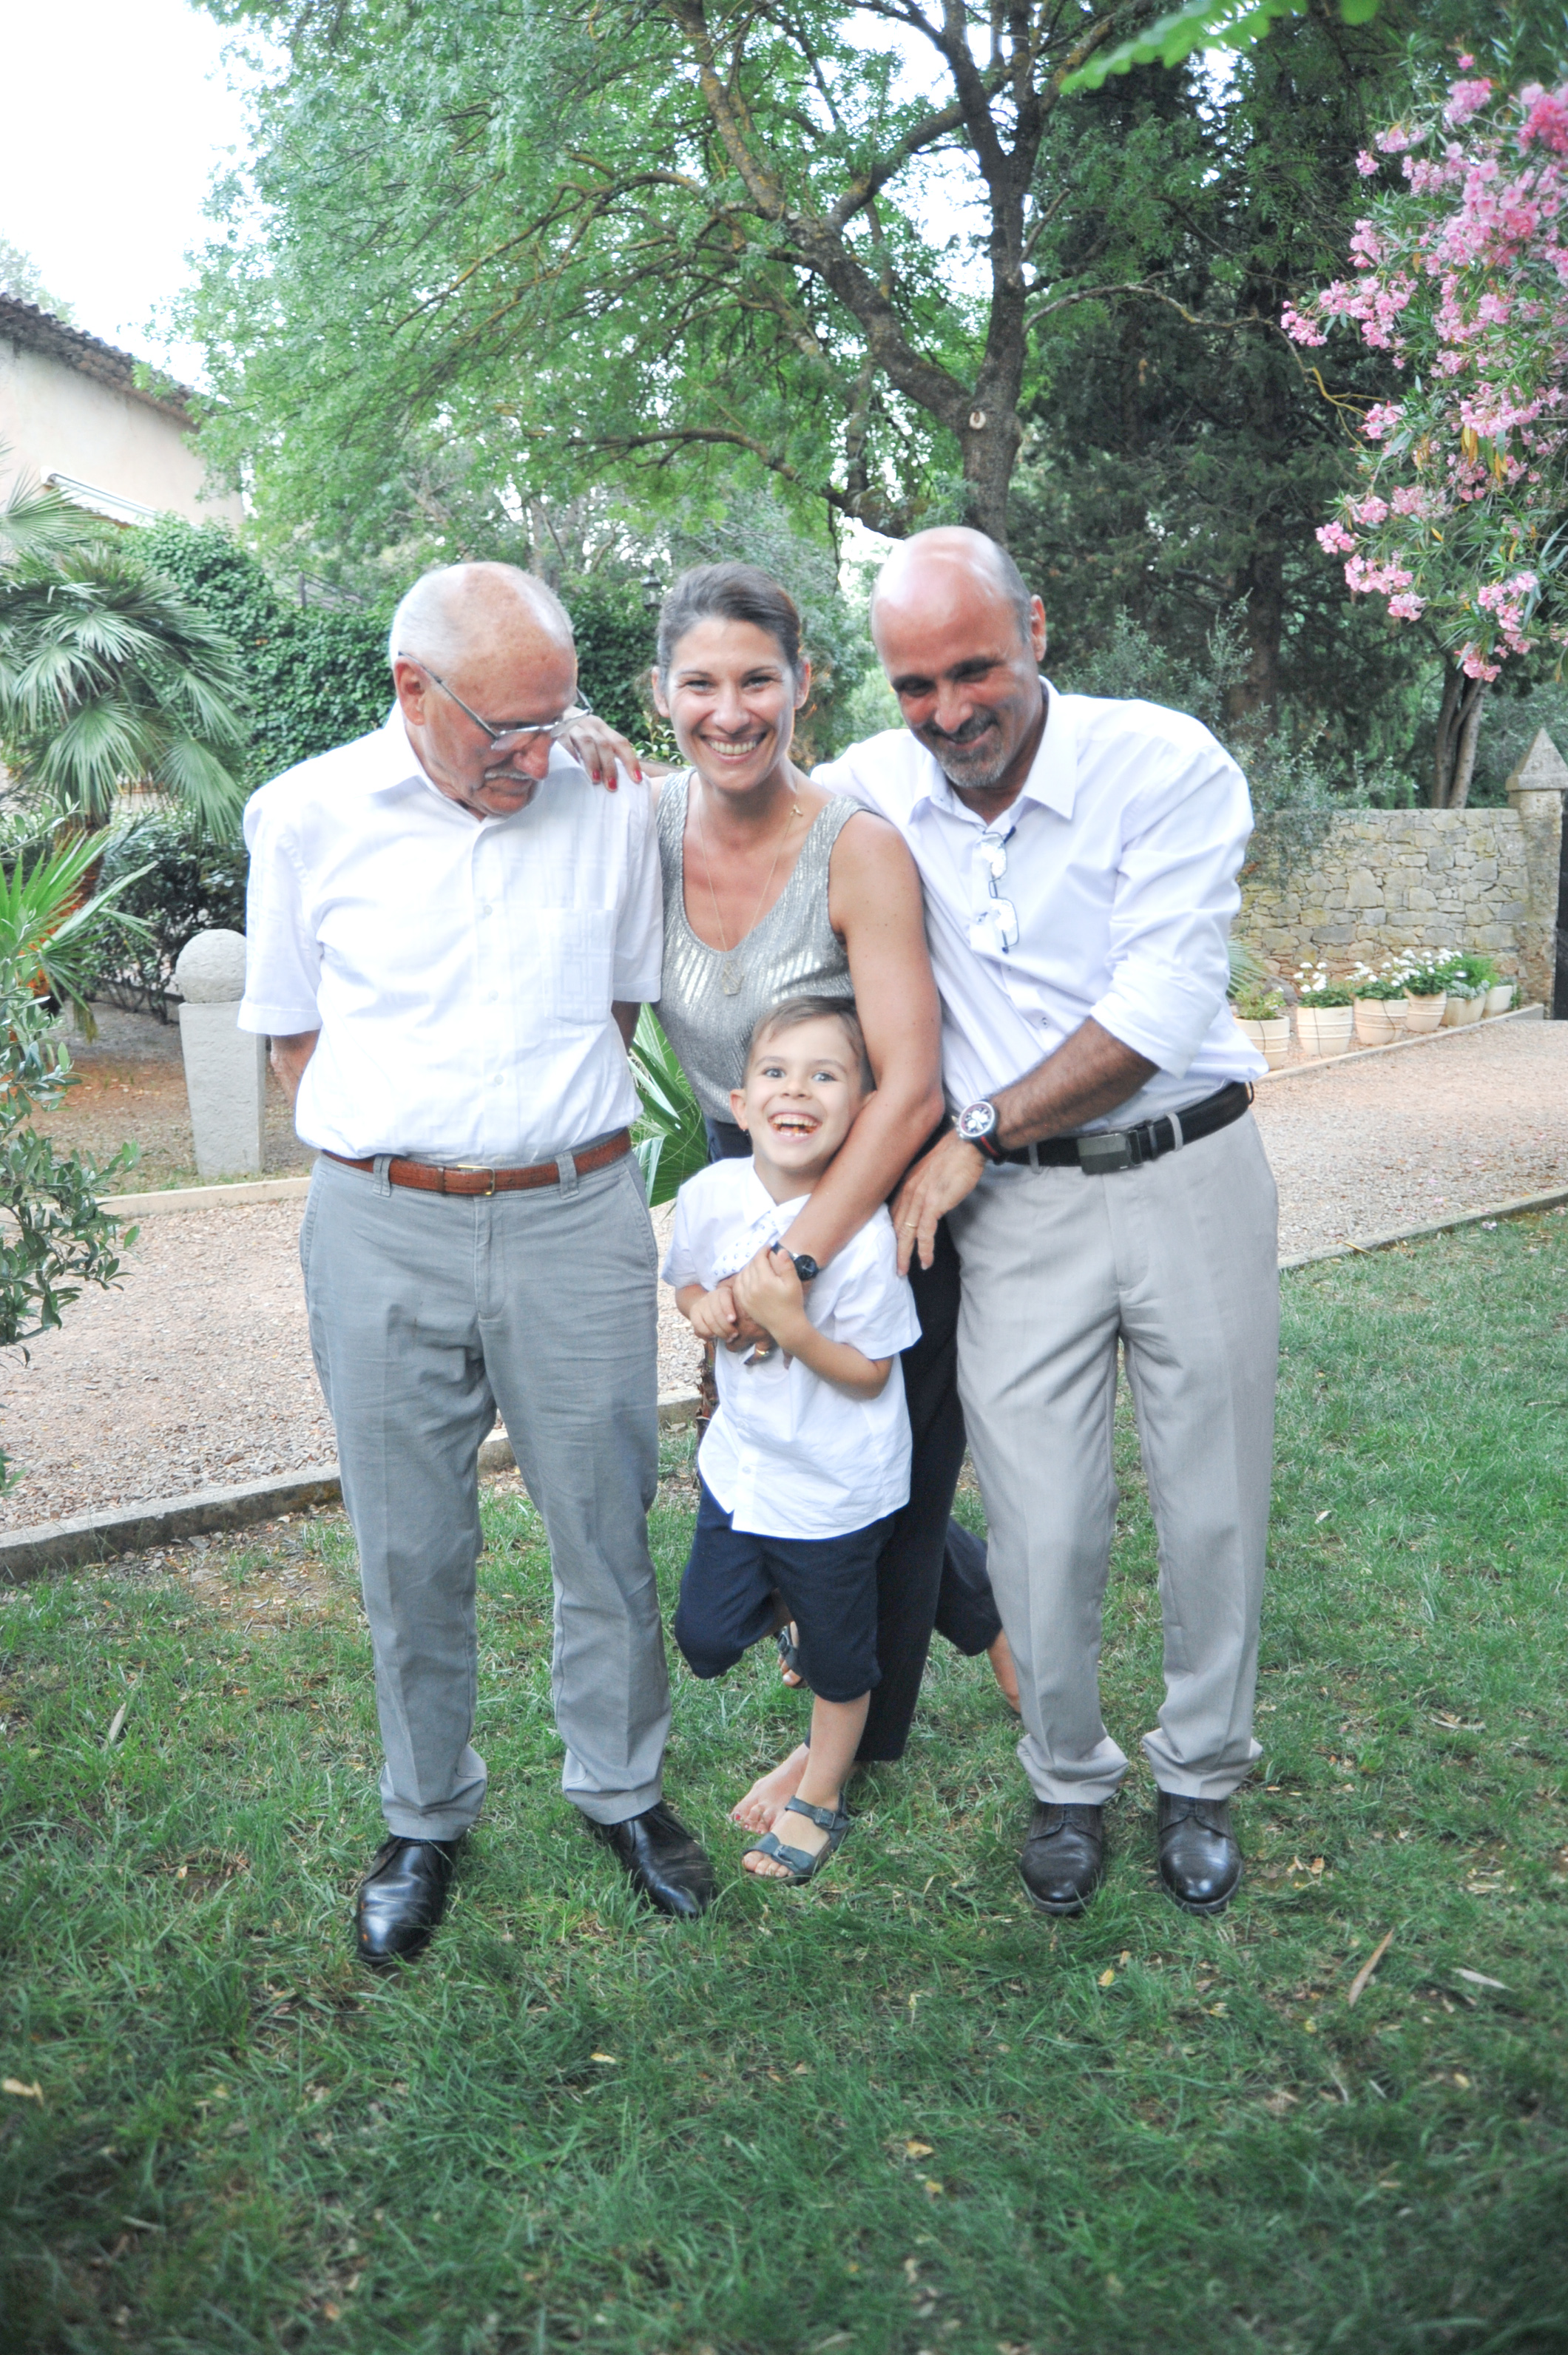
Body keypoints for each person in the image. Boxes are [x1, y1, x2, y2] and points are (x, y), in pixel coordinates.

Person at [238, 561, 717, 1967]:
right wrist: (407, 1145)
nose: (536, 755)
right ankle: (425, 1813)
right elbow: (292, 1032)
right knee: (409, 1538)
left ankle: (622, 1788)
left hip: (575, 1210)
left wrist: (526, 1137)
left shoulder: (606, 800)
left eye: (557, 719)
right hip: (381, 1220)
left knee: (604, 1518)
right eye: (508, 727)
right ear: (413, 689)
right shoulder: (305, 814)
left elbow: (618, 999)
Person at [816, 527, 1278, 1919]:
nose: (949, 710)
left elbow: (1154, 1013)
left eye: (974, 669)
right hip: (1019, 1215)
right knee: (1038, 1523)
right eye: (914, 684)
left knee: (1213, 1500)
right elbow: (738, 790)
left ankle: (1201, 1771)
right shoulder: (873, 787)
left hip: (1188, 1167)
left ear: (1034, 627)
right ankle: (1067, 1777)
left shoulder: (1165, 763)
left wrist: (970, 1130)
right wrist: (595, 752)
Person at [646, 561, 1016, 1834]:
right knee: (795, 1446)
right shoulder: (639, 825)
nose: (730, 711)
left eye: (758, 680)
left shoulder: (857, 846)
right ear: (660, 694)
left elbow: (911, 1088)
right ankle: (996, 1628)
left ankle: (833, 1761)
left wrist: (790, 1264)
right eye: (700, 683)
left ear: (803, 686)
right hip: (739, 1170)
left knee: (883, 1475)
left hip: (876, 1187)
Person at [665, 996, 921, 1883]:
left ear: (862, 1110)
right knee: (703, 1637)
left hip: (832, 1488)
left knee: (839, 1665)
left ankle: (819, 1795)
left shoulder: (863, 1236)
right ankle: (797, 1611)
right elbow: (687, 1283)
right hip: (742, 1470)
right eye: (775, 1073)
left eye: (825, 1076)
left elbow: (872, 1372)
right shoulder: (710, 1195)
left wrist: (792, 1326)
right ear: (740, 1105)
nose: (796, 1091)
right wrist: (701, 1306)